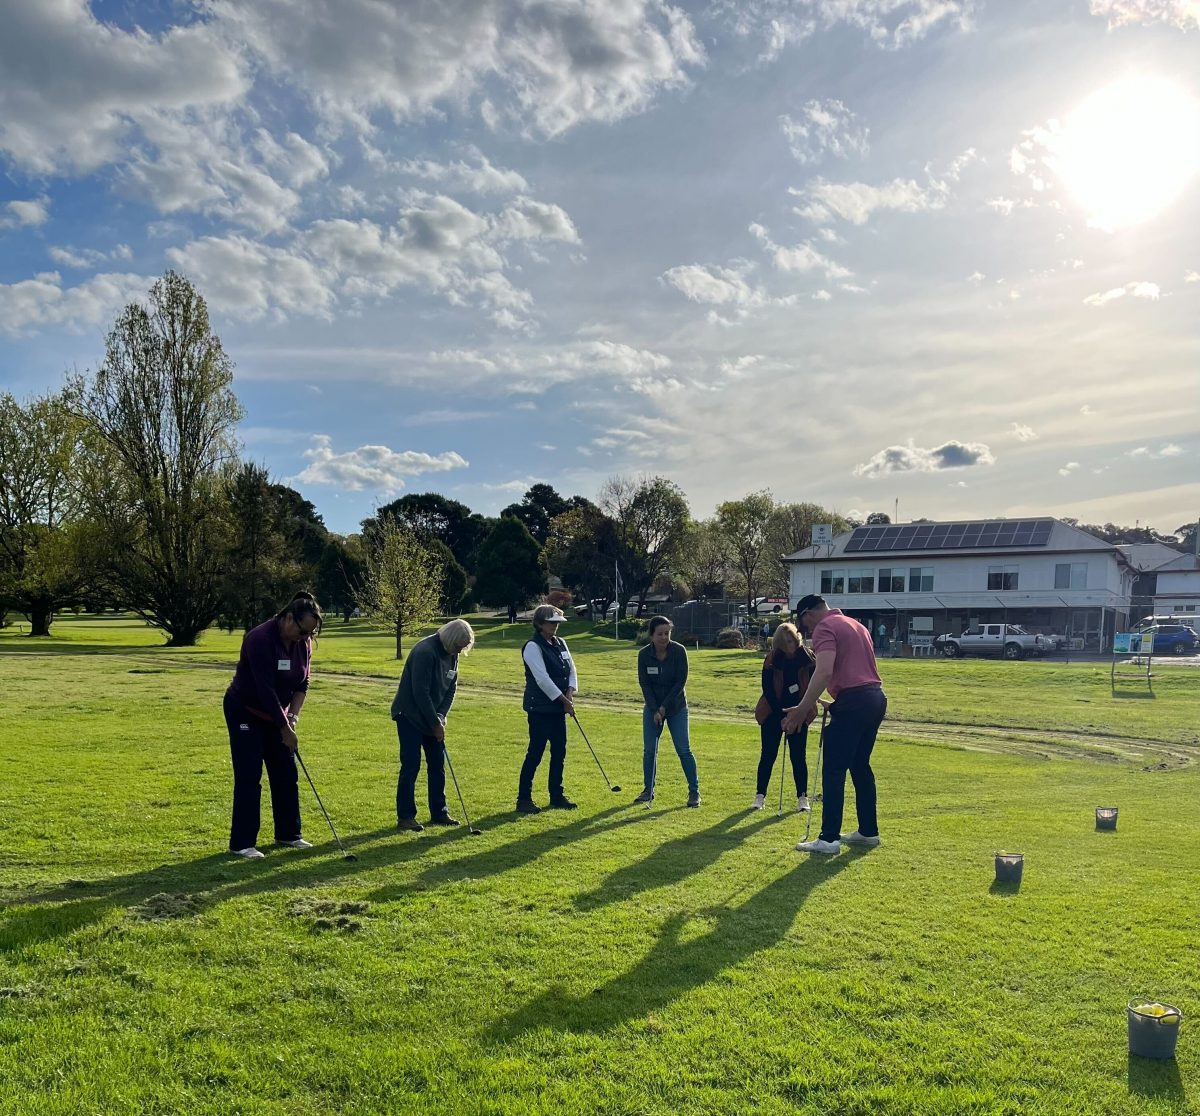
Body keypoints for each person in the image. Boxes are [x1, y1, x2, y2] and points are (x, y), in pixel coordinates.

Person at [784, 594, 886, 855]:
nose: (807, 631)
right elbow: (857, 673)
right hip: (874, 698)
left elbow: (825, 670)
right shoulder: (856, 624)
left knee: (833, 769)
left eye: (804, 624)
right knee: (859, 765)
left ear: (809, 614)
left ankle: (829, 839)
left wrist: (802, 708)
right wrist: (836, 703)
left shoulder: (825, 627)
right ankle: (868, 831)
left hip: (856, 700)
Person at [223, 592, 323, 859]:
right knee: (249, 776)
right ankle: (242, 843)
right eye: (303, 631)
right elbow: (264, 690)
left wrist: (293, 718)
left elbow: (303, 684)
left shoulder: (304, 644)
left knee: (285, 773)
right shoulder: (259, 639)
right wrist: (284, 728)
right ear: (289, 618)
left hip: (278, 714)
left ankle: (288, 834)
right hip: (246, 710)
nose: (306, 638)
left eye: (310, 634)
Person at [392, 619, 476, 832]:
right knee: (411, 765)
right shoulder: (425, 652)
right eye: (458, 646)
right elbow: (420, 692)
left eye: (462, 647)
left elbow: (451, 687)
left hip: (432, 716)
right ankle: (406, 817)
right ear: (450, 639)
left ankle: (439, 812)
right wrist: (435, 722)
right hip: (409, 714)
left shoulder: (452, 653)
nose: (459, 651)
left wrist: (441, 715)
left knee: (437, 765)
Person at [517, 605, 579, 813]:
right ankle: (524, 799)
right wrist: (563, 700)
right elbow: (542, 679)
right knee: (535, 752)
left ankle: (556, 794)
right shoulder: (533, 647)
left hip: (558, 708)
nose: (555, 626)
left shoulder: (560, 643)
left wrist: (570, 692)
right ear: (540, 623)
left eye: (557, 623)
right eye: (552, 622)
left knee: (559, 751)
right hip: (540, 708)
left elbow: (571, 670)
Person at [636, 616, 701, 807]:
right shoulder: (644, 655)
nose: (664, 637)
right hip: (652, 707)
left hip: (676, 707)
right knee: (650, 751)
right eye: (660, 634)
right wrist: (655, 709)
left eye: (667, 633)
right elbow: (645, 684)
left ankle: (694, 792)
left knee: (683, 749)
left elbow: (680, 683)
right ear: (652, 635)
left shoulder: (679, 651)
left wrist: (663, 708)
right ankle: (648, 790)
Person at [752, 622, 815, 811]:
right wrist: (782, 715)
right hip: (773, 712)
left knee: (798, 756)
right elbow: (768, 689)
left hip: (800, 711)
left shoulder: (809, 659)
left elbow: (812, 688)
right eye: (785, 642)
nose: (790, 645)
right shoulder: (771, 659)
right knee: (768, 754)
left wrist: (797, 713)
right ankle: (759, 796)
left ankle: (802, 798)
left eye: (792, 641)